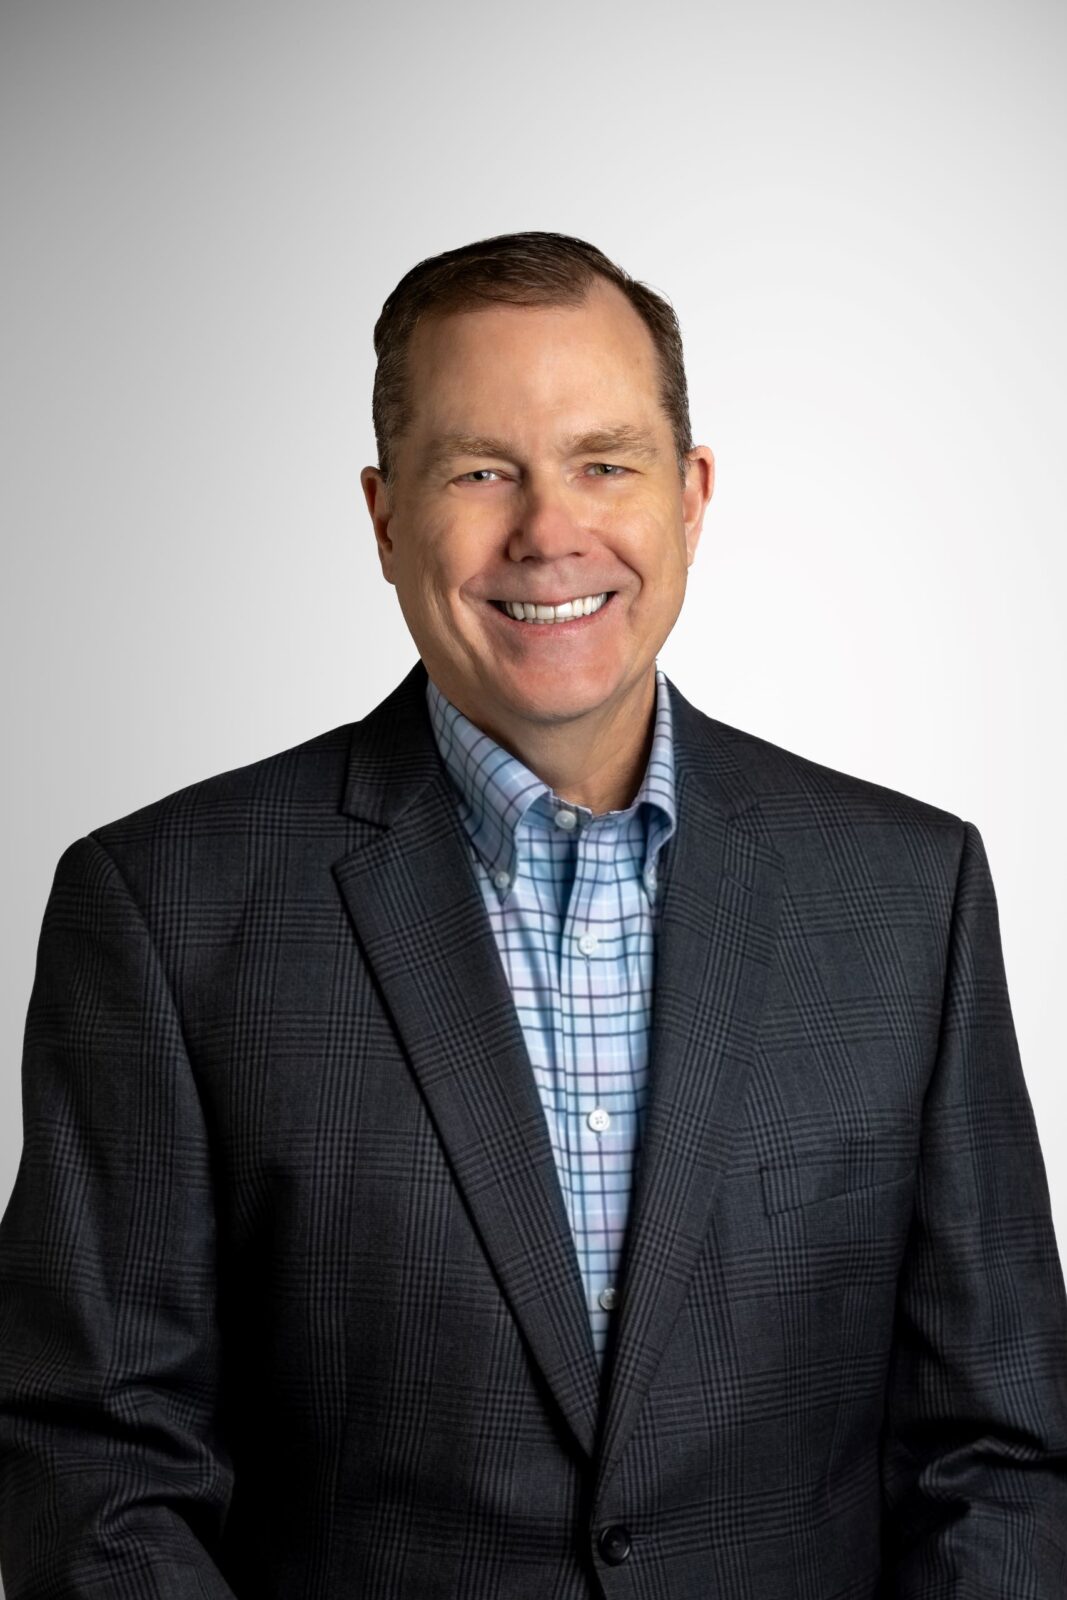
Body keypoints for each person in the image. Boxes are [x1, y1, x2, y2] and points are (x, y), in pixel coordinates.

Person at [1, 230, 1065, 1599]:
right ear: (387, 518)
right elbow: (95, 1462)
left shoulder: (909, 895)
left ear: (692, 496)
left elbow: (996, 1453)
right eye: (480, 471)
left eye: (604, 463)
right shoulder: (163, 910)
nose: (549, 531)